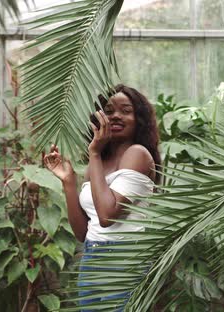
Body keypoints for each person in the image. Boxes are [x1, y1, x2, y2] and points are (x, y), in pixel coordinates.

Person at [43, 84, 160, 310]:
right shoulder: (96, 164)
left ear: (139, 119)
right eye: (108, 110)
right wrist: (68, 183)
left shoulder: (137, 154)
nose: (115, 115)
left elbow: (108, 216)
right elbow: (82, 233)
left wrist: (94, 152)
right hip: (92, 256)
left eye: (126, 110)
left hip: (126, 259)